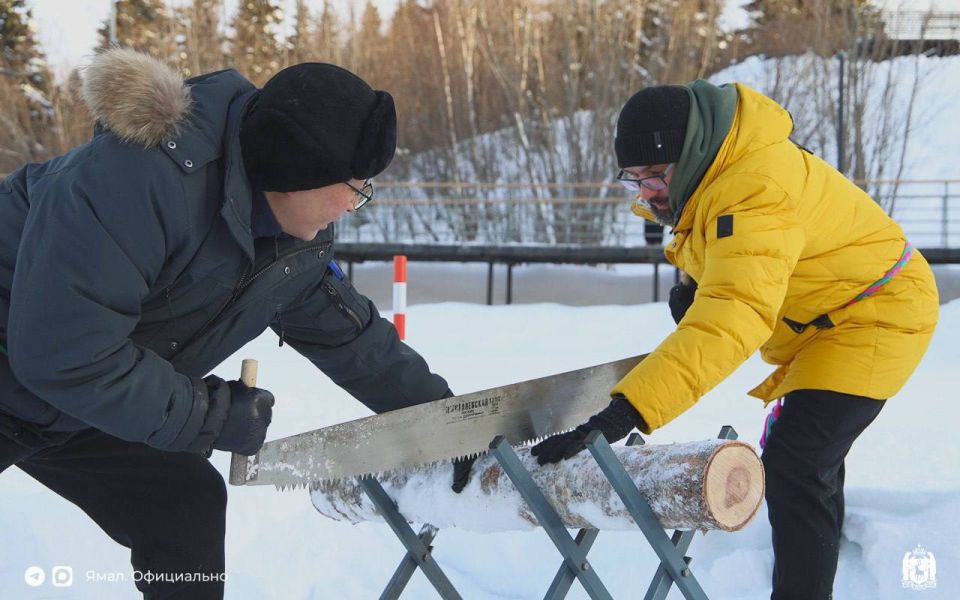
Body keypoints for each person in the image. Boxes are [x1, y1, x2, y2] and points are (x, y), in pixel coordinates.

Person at [0, 48, 457, 599]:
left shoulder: (291, 240)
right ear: (299, 174)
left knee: (180, 503)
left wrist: (449, 423)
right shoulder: (138, 182)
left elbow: (353, 340)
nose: (354, 204)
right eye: (356, 187)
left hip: (78, 396)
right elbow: (67, 354)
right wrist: (209, 415)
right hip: (27, 370)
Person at [530, 81, 939, 599]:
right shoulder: (714, 169)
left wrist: (627, 410)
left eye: (654, 175)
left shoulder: (754, 188)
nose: (645, 192)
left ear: (691, 152)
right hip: (826, 318)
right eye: (633, 178)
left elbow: (733, 317)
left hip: (877, 313)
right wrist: (695, 283)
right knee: (807, 461)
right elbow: (723, 252)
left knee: (796, 463)